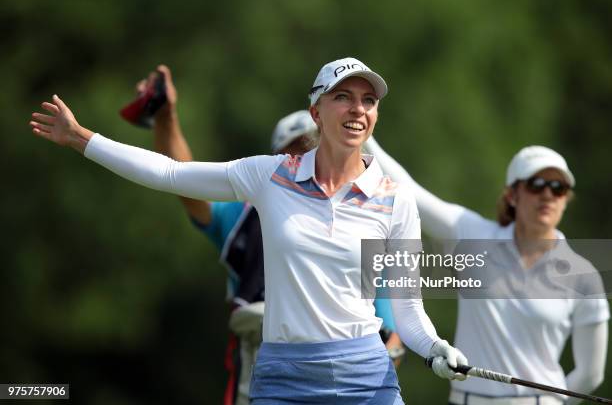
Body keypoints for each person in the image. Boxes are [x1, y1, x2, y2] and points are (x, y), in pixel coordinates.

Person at [30, 57, 468, 404]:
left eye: (368, 100)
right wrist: (83, 138)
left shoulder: (394, 199)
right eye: (344, 97)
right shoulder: (270, 176)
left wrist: (434, 348)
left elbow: (409, 311)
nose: (358, 109)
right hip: (284, 379)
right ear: (316, 111)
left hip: (366, 377)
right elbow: (170, 174)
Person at [134, 65, 406, 404]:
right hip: (261, 369)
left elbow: (393, 331)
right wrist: (165, 119)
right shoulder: (244, 211)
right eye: (293, 151)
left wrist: (384, 353)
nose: (305, 158)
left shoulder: (365, 216)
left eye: (309, 147)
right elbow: (182, 179)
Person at [364, 137, 610, 405]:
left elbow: (590, 374)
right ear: (512, 195)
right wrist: (363, 139)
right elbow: (407, 189)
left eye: (558, 187)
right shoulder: (473, 235)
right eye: (536, 185)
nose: (548, 195)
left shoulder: (584, 276)